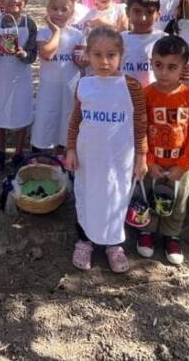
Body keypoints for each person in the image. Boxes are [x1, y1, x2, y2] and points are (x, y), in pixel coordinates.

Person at [65, 27, 148, 273]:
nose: (104, 61)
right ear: (87, 55)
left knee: (116, 195)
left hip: (119, 158)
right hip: (89, 157)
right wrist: (70, 148)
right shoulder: (84, 84)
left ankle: (114, 243)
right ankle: (85, 239)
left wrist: (142, 156)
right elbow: (75, 120)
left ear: (121, 55)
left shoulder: (131, 86)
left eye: (111, 55)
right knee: (87, 195)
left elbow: (140, 122)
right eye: (97, 54)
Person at [137, 35, 189, 265]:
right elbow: (141, 129)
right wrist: (149, 160)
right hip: (151, 163)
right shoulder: (146, 95)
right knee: (149, 198)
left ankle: (171, 236)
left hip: (180, 165)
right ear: (151, 62)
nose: (164, 73)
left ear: (184, 68)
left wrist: (183, 165)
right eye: (158, 65)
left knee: (177, 203)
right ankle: (146, 231)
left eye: (172, 67)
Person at [0, 0, 38, 173]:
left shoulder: (29, 24)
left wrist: (22, 53)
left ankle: (18, 153)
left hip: (20, 78)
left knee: (20, 115)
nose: (14, 0)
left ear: (26, 1)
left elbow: (33, 55)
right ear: (0, 1)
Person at [30, 0, 84, 156]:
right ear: (47, 10)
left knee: (66, 119)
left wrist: (84, 58)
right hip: (49, 87)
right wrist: (57, 32)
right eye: (54, 8)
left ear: (72, 13)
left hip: (69, 86)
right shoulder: (44, 33)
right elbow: (47, 53)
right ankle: (44, 155)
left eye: (64, 9)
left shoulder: (78, 35)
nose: (59, 13)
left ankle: (63, 154)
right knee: (47, 117)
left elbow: (83, 61)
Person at [120, 0, 166, 88]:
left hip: (155, 100)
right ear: (127, 12)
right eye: (137, 11)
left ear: (158, 14)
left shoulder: (164, 40)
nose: (143, 18)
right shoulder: (119, 40)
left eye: (149, 12)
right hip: (126, 98)